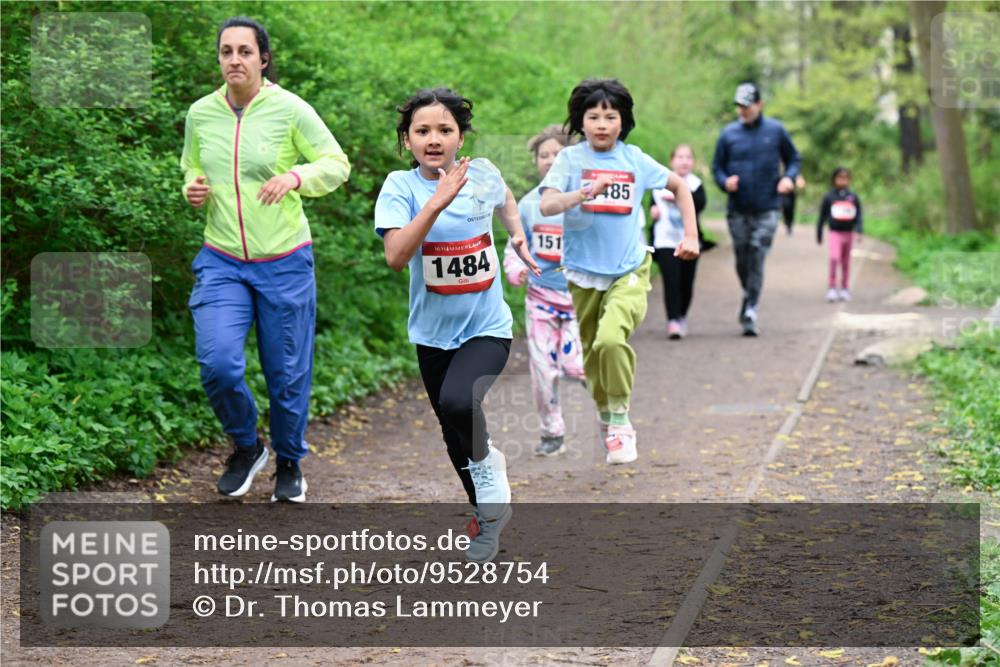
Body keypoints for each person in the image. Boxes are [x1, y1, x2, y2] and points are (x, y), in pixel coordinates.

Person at [181, 17, 350, 502]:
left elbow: (335, 164)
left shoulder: (290, 109)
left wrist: (296, 177)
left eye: (245, 52)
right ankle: (246, 445)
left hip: (285, 260)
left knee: (287, 372)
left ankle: (290, 462)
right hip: (222, 257)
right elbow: (192, 163)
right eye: (226, 51)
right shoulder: (201, 113)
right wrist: (191, 186)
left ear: (263, 58)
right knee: (218, 364)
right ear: (218, 58)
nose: (235, 59)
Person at [374, 88, 539, 562]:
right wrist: (436, 203)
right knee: (453, 428)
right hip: (431, 333)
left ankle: (489, 476)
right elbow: (395, 256)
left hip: (487, 326)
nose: (433, 138)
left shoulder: (481, 173)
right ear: (406, 140)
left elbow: (505, 198)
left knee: (457, 400)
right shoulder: (400, 188)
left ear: (460, 137)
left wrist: (518, 236)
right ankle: (488, 519)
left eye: (445, 130)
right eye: (422, 130)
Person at [539, 79, 699, 465]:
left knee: (611, 339)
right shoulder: (570, 161)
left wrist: (691, 234)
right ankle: (607, 416)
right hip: (582, 273)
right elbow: (547, 206)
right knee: (594, 355)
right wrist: (583, 194)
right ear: (580, 120)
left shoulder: (635, 160)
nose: (602, 124)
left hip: (629, 267)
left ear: (623, 121)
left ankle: (622, 421)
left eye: (610, 116)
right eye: (593, 116)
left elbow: (680, 188)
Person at [503, 125, 586, 457]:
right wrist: (516, 267)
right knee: (541, 369)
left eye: (558, 154)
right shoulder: (527, 205)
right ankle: (552, 431)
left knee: (574, 365)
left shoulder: (583, 202)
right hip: (540, 298)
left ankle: (610, 412)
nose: (550, 161)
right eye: (544, 155)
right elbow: (515, 246)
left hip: (580, 298)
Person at [711, 82, 801, 336]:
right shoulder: (728, 134)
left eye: (747, 106)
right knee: (742, 257)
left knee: (757, 250)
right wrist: (724, 181)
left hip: (768, 206)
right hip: (738, 208)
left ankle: (750, 308)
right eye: (739, 106)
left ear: (759, 105)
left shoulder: (776, 130)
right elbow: (717, 166)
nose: (742, 111)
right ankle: (748, 291)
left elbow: (794, 159)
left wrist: (788, 178)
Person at [649, 144, 708, 339]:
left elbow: (700, 204)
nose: (684, 161)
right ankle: (672, 320)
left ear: (693, 162)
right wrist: (653, 211)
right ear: (672, 161)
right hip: (665, 241)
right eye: (680, 157)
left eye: (688, 157)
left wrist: (680, 198)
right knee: (671, 281)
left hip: (689, 241)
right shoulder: (661, 179)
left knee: (686, 283)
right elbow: (652, 203)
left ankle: (682, 314)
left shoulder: (696, 184)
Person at [817, 166, 863, 302]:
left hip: (848, 232)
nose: (842, 181)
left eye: (845, 178)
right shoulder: (829, 197)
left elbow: (858, 215)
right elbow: (822, 216)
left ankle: (844, 288)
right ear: (834, 179)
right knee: (834, 258)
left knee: (846, 261)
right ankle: (832, 287)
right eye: (839, 178)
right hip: (835, 232)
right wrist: (819, 232)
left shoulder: (853, 197)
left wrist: (859, 230)